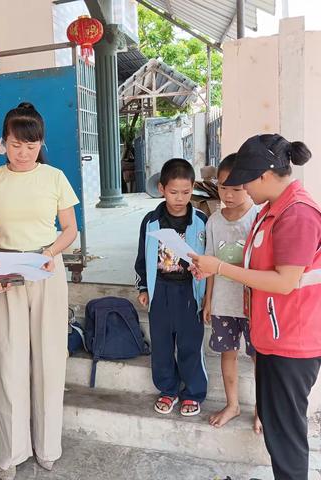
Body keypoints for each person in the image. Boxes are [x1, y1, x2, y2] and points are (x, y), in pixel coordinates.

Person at [190, 134, 321, 480]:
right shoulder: (274, 211)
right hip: (275, 336)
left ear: (263, 175)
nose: (243, 188)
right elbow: (255, 263)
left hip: (292, 341)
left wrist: (218, 268)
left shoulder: (297, 215)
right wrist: (209, 263)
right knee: (279, 433)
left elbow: (284, 282)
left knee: (286, 438)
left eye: (245, 180)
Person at [0, 102, 79, 480]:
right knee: (9, 360)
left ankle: (48, 447)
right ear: (4, 142)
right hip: (6, 272)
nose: (23, 153)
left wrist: (50, 253)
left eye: (31, 146)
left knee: (50, 359)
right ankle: (10, 451)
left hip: (47, 269)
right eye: (16, 145)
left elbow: (70, 230)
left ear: (40, 143)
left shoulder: (54, 178)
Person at [135, 158, 208, 417]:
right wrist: (144, 288)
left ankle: (193, 392)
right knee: (163, 345)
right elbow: (142, 259)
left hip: (189, 292)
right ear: (162, 188)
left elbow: (208, 260)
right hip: (161, 291)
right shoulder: (151, 221)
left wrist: (207, 298)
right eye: (173, 192)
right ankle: (168, 389)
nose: (179, 198)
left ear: (193, 189)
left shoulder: (201, 221)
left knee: (190, 344)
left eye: (186, 192)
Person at [202, 154, 261, 431]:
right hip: (224, 303)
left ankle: (262, 409)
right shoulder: (213, 221)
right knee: (227, 353)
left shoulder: (258, 218)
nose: (229, 194)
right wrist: (208, 300)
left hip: (253, 304)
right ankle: (233, 405)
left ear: (250, 185)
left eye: (236, 188)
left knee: (258, 357)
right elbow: (210, 263)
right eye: (224, 187)